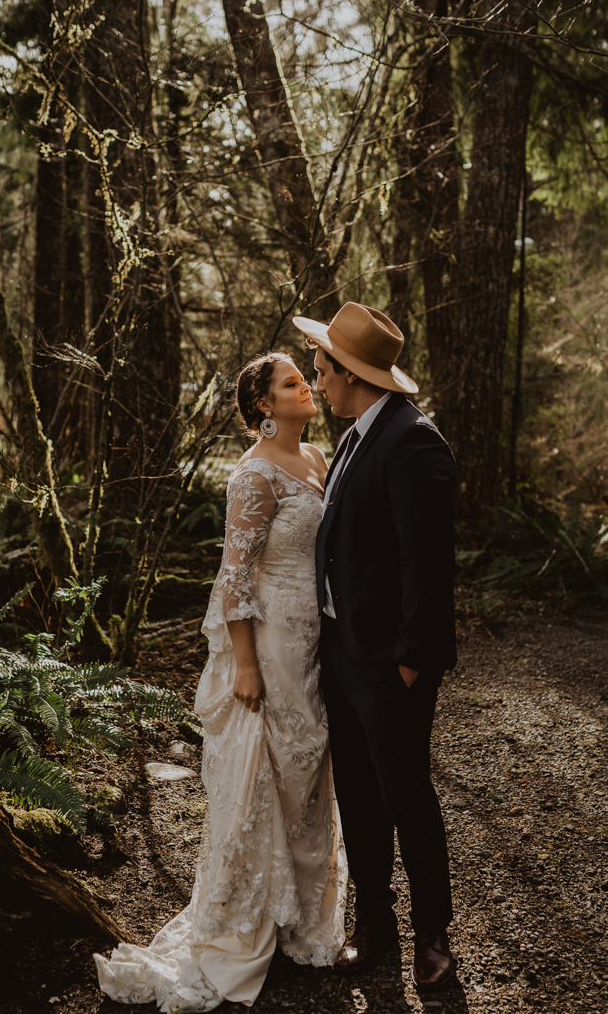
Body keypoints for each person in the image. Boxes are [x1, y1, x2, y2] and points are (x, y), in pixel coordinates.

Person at [95, 352, 346, 1012]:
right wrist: (244, 663)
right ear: (264, 405)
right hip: (267, 642)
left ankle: (301, 922)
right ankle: (245, 924)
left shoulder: (318, 458)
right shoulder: (252, 475)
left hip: (313, 637)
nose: (306, 387)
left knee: (307, 771)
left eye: (304, 378)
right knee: (265, 776)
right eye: (292, 382)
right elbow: (234, 576)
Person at [293, 302, 457, 989]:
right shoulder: (360, 433)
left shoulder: (412, 442)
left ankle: (432, 935)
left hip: (391, 663)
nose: (315, 378)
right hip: (344, 654)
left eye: (321, 368)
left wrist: (410, 658)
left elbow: (429, 563)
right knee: (358, 795)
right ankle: (376, 924)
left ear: (352, 376)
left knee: (404, 793)